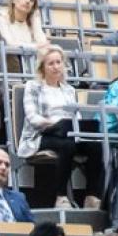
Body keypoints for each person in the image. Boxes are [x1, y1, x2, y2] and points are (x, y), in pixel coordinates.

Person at [19, 45, 91, 208]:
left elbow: (76, 116)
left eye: (58, 62)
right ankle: (61, 196)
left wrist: (72, 126)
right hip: (42, 134)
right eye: (51, 63)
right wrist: (56, 124)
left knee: (96, 146)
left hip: (68, 131)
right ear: (42, 67)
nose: (56, 66)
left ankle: (92, 195)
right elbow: (33, 118)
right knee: (67, 143)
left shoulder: (69, 90)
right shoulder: (33, 86)